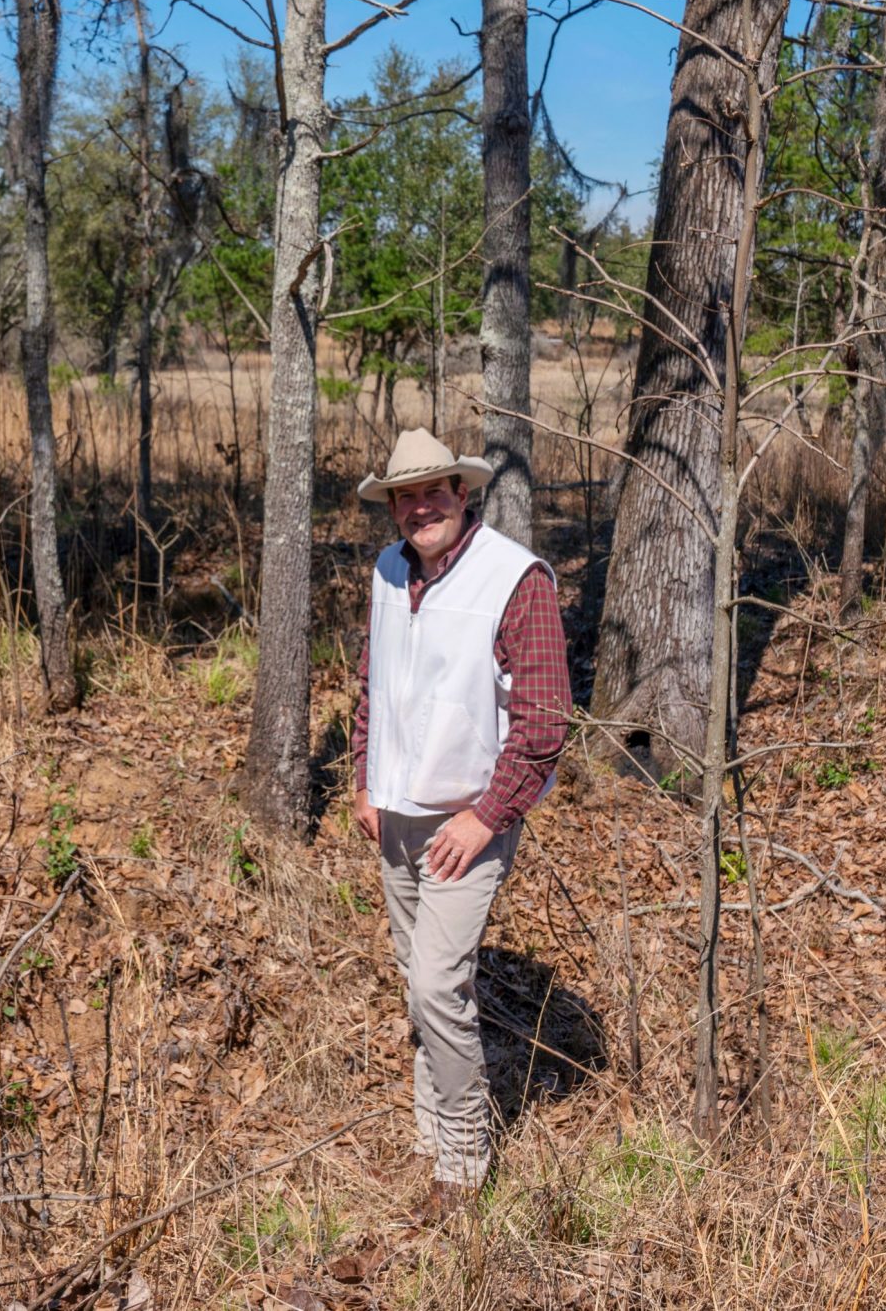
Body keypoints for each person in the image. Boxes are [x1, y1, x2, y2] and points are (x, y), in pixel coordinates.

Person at [346, 429, 569, 1223]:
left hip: (469, 819)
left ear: (462, 493)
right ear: (392, 507)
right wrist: (365, 780)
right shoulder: (387, 570)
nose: (421, 507)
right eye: (405, 496)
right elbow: (373, 686)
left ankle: (464, 1166)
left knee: (440, 984)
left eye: (434, 491)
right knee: (418, 978)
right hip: (396, 815)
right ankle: (431, 1133)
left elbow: (545, 722)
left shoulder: (515, 579)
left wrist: (486, 818)